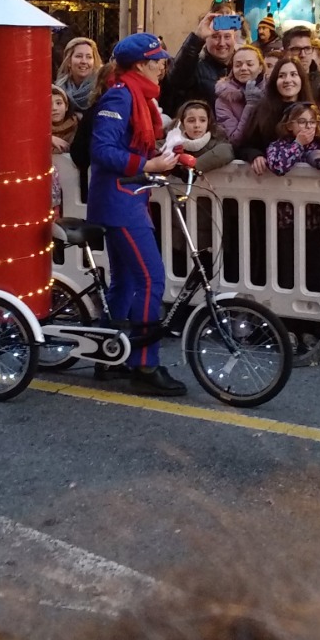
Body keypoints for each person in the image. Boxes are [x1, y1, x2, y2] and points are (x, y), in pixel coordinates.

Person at [86, 32, 185, 395]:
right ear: (142, 64)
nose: (162, 66)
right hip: (119, 201)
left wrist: (167, 157)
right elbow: (102, 151)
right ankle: (144, 366)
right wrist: (150, 163)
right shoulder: (121, 95)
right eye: (158, 61)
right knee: (151, 280)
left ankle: (106, 356)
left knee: (126, 282)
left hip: (127, 197)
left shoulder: (137, 96)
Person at [241, 57, 316, 170]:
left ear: (301, 79)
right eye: (281, 76)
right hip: (269, 180)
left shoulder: (312, 109)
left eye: (293, 74)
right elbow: (245, 145)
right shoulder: (262, 110)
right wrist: (255, 155)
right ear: (275, 81)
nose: (287, 80)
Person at [163, 12, 238, 115]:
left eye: (227, 37)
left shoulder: (244, 66)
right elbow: (176, 80)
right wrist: (196, 39)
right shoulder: (195, 66)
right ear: (205, 39)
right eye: (215, 36)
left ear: (235, 39)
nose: (222, 43)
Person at [166, 100, 234, 176]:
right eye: (191, 121)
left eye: (202, 120)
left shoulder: (218, 142)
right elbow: (154, 150)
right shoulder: (170, 141)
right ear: (182, 123)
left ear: (208, 122)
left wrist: (193, 168)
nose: (197, 125)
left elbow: (226, 152)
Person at [214, 45, 264, 147]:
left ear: (260, 68)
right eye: (238, 65)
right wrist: (250, 105)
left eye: (250, 64)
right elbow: (234, 140)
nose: (243, 68)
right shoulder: (224, 99)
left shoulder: (272, 91)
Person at [264, 103, 320, 176]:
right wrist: (298, 144)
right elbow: (278, 167)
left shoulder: (319, 145)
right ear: (289, 126)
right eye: (302, 122)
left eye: (312, 122)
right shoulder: (276, 146)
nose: (308, 126)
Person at [56, 37, 101, 114]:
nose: (84, 61)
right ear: (69, 61)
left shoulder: (101, 87)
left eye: (89, 57)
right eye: (79, 56)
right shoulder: (59, 89)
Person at [51, 86, 79, 153]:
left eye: (58, 103)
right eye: (48, 104)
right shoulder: (36, 130)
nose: (54, 108)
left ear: (66, 106)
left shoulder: (78, 126)